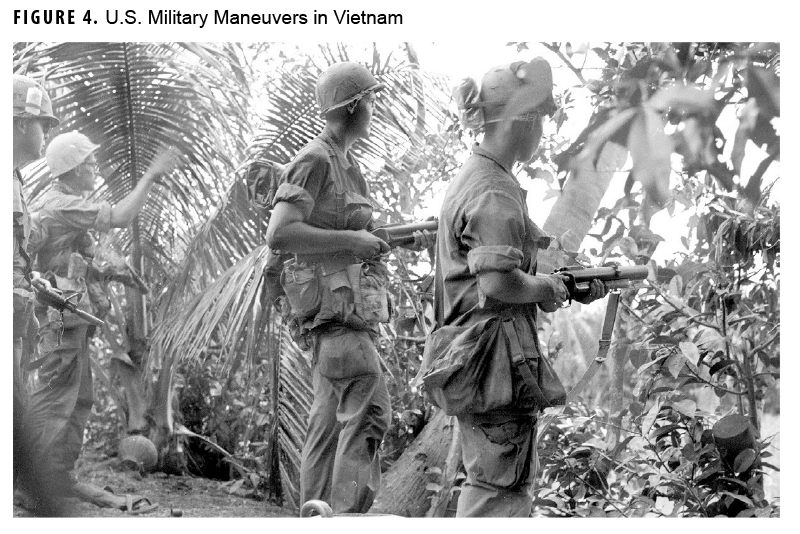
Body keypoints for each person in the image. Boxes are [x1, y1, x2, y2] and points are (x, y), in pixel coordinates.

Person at [436, 58, 605, 517]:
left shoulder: (481, 177)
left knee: (489, 486)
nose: (542, 133)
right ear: (521, 120)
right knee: (499, 497)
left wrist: (567, 284)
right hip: (492, 365)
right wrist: (550, 288)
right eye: (540, 120)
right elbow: (499, 283)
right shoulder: (494, 189)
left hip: (482, 361)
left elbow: (512, 269)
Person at [266, 61, 433, 514]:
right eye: (373, 99)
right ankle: (342, 518)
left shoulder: (345, 164)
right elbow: (280, 234)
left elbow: (354, 235)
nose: (375, 107)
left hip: (342, 314)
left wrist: (395, 238)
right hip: (336, 317)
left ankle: (313, 514)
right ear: (356, 105)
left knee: (324, 426)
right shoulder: (315, 160)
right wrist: (353, 241)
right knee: (371, 412)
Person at [24, 130, 179, 495]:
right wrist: (149, 177)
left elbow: (89, 259)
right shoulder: (60, 204)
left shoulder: (67, 206)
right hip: (58, 322)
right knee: (54, 400)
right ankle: (29, 484)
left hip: (70, 322)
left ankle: (56, 477)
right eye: (89, 162)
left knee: (78, 400)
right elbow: (121, 216)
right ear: (74, 169)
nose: (95, 168)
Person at [12, 73, 64, 515]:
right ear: (17, 123)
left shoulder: (16, 182)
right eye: (41, 123)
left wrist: (31, 281)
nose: (46, 132)